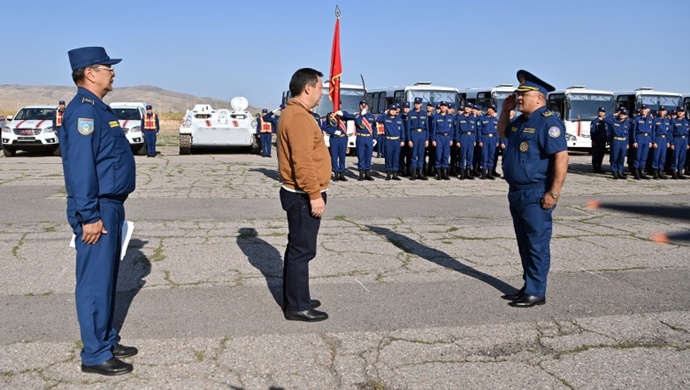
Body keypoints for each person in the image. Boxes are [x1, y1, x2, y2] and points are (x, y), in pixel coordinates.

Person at [60, 46, 137, 375]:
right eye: (108, 68)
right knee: (94, 282)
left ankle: (105, 338)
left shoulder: (99, 109)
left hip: (111, 206)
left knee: (106, 280)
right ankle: (94, 354)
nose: (113, 73)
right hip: (98, 208)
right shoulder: (85, 112)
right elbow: (81, 170)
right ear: (90, 73)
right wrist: (89, 216)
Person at [498, 70, 568, 308]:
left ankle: (537, 291)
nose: (518, 98)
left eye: (522, 95)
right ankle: (529, 285)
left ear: (538, 98)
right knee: (524, 242)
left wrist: (554, 192)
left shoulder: (548, 121)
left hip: (536, 192)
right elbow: (501, 132)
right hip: (516, 191)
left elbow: (561, 158)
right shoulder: (521, 120)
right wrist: (506, 110)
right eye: (518, 94)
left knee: (537, 243)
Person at [277, 67, 330, 322]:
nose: (322, 93)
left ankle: (297, 296)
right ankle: (297, 306)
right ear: (308, 88)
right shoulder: (298, 117)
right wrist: (314, 194)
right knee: (302, 250)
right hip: (302, 194)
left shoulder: (298, 113)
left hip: (299, 193)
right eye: (320, 87)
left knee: (297, 248)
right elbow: (302, 161)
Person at [342, 100, 376, 181]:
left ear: (367, 106)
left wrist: (375, 137)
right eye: (361, 105)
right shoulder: (357, 116)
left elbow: (374, 127)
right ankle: (361, 174)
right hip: (361, 137)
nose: (363, 107)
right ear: (359, 106)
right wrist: (362, 115)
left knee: (368, 156)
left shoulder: (371, 116)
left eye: (365, 105)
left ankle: (367, 174)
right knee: (361, 156)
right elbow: (358, 122)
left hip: (369, 138)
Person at [376, 104, 405, 180]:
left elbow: (402, 131)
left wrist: (403, 140)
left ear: (396, 111)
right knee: (388, 157)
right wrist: (384, 113)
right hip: (388, 140)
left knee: (396, 158)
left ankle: (395, 174)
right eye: (391, 110)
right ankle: (388, 174)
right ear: (389, 110)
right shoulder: (385, 118)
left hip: (397, 141)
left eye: (394, 110)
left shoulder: (399, 119)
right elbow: (378, 120)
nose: (393, 111)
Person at [406, 97, 430, 180]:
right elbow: (408, 128)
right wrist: (409, 140)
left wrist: (427, 139)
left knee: (421, 155)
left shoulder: (424, 114)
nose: (417, 105)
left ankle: (420, 173)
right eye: (416, 103)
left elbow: (427, 128)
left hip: (422, 135)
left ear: (421, 104)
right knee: (413, 155)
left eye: (418, 103)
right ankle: (414, 174)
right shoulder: (410, 114)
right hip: (414, 134)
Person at [430, 101, 454, 180]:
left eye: (445, 106)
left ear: (447, 107)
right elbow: (433, 129)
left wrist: (451, 139)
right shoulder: (436, 117)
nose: (443, 107)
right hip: (439, 137)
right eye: (442, 106)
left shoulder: (450, 117)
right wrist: (433, 139)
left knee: (446, 155)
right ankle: (438, 173)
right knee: (438, 155)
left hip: (447, 137)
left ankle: (445, 173)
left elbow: (452, 130)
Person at [322, 111, 348, 181]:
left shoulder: (344, 114)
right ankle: (336, 174)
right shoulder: (329, 115)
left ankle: (342, 174)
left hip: (343, 138)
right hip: (334, 138)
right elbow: (324, 127)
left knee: (342, 157)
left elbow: (353, 117)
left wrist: (343, 114)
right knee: (334, 157)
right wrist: (333, 132)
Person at [631, 105, 654, 179]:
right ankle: (636, 172)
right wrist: (634, 141)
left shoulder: (650, 119)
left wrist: (651, 141)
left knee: (644, 156)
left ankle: (642, 171)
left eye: (645, 109)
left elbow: (652, 131)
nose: (643, 111)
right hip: (639, 137)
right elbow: (633, 131)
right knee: (637, 155)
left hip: (647, 138)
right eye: (642, 109)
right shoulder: (637, 118)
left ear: (648, 110)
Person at [454, 104, 477, 180]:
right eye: (466, 107)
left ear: (471, 109)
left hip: (471, 137)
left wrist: (475, 140)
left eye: (469, 107)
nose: (467, 109)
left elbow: (475, 130)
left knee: (470, 155)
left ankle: (468, 172)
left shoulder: (473, 118)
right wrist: (457, 140)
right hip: (463, 137)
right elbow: (457, 131)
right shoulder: (460, 118)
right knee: (462, 155)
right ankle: (462, 172)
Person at [608, 108, 630, 179]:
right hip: (616, 141)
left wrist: (627, 143)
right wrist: (614, 114)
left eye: (624, 114)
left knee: (621, 158)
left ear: (626, 116)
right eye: (621, 114)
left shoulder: (626, 123)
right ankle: (614, 172)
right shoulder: (614, 121)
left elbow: (628, 134)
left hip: (623, 142)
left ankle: (620, 171)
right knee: (614, 157)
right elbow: (606, 120)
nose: (622, 115)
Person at [651, 106, 670, 179]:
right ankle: (655, 172)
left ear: (666, 112)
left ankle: (660, 171)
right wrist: (653, 141)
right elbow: (653, 131)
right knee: (656, 156)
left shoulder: (667, 121)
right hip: (658, 139)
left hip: (664, 139)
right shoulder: (655, 120)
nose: (662, 112)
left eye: (663, 111)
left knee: (663, 157)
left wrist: (668, 141)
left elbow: (669, 132)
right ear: (658, 111)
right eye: (660, 111)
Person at [669, 106, 689, 179]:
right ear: (677, 112)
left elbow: (688, 133)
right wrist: (671, 142)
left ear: (684, 112)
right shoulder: (674, 121)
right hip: (676, 139)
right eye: (679, 111)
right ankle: (674, 171)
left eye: (682, 111)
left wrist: (688, 143)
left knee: (682, 156)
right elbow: (670, 132)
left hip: (684, 140)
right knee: (675, 156)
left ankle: (680, 172)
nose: (680, 112)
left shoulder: (686, 121)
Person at [590, 107, 609, 173]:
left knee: (601, 154)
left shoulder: (605, 121)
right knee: (596, 154)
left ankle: (599, 166)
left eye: (603, 112)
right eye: (600, 111)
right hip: (597, 139)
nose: (601, 113)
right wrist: (593, 140)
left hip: (603, 140)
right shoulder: (595, 121)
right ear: (598, 112)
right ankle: (595, 167)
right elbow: (592, 131)